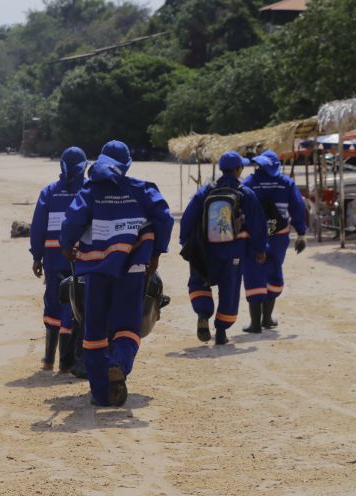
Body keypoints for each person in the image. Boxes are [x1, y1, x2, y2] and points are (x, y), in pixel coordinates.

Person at [60, 141, 173, 407]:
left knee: (94, 331)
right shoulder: (143, 190)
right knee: (127, 327)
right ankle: (119, 364)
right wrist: (156, 252)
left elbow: (72, 221)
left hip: (96, 271)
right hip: (132, 270)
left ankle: (100, 394)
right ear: (127, 166)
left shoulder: (90, 190)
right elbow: (164, 219)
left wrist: (67, 247)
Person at [179, 151, 268, 346]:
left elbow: (189, 216)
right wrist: (260, 248)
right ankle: (221, 332)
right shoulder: (246, 193)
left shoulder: (206, 191)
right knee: (230, 290)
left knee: (199, 281)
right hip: (233, 252)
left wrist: (184, 240)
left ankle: (203, 313)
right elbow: (257, 224)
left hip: (205, 250)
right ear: (238, 169)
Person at [30, 147, 88, 372]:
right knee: (77, 307)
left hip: (53, 260)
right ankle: (67, 361)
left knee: (54, 303)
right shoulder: (89, 192)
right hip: (82, 259)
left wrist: (37, 257)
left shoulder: (49, 192)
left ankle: (48, 360)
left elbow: (37, 229)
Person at [240, 150, 307, 332]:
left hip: (253, 239)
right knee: (273, 272)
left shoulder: (248, 183)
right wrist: (301, 233)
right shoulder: (286, 183)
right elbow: (298, 208)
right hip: (279, 237)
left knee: (254, 273)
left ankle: (255, 324)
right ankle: (267, 319)